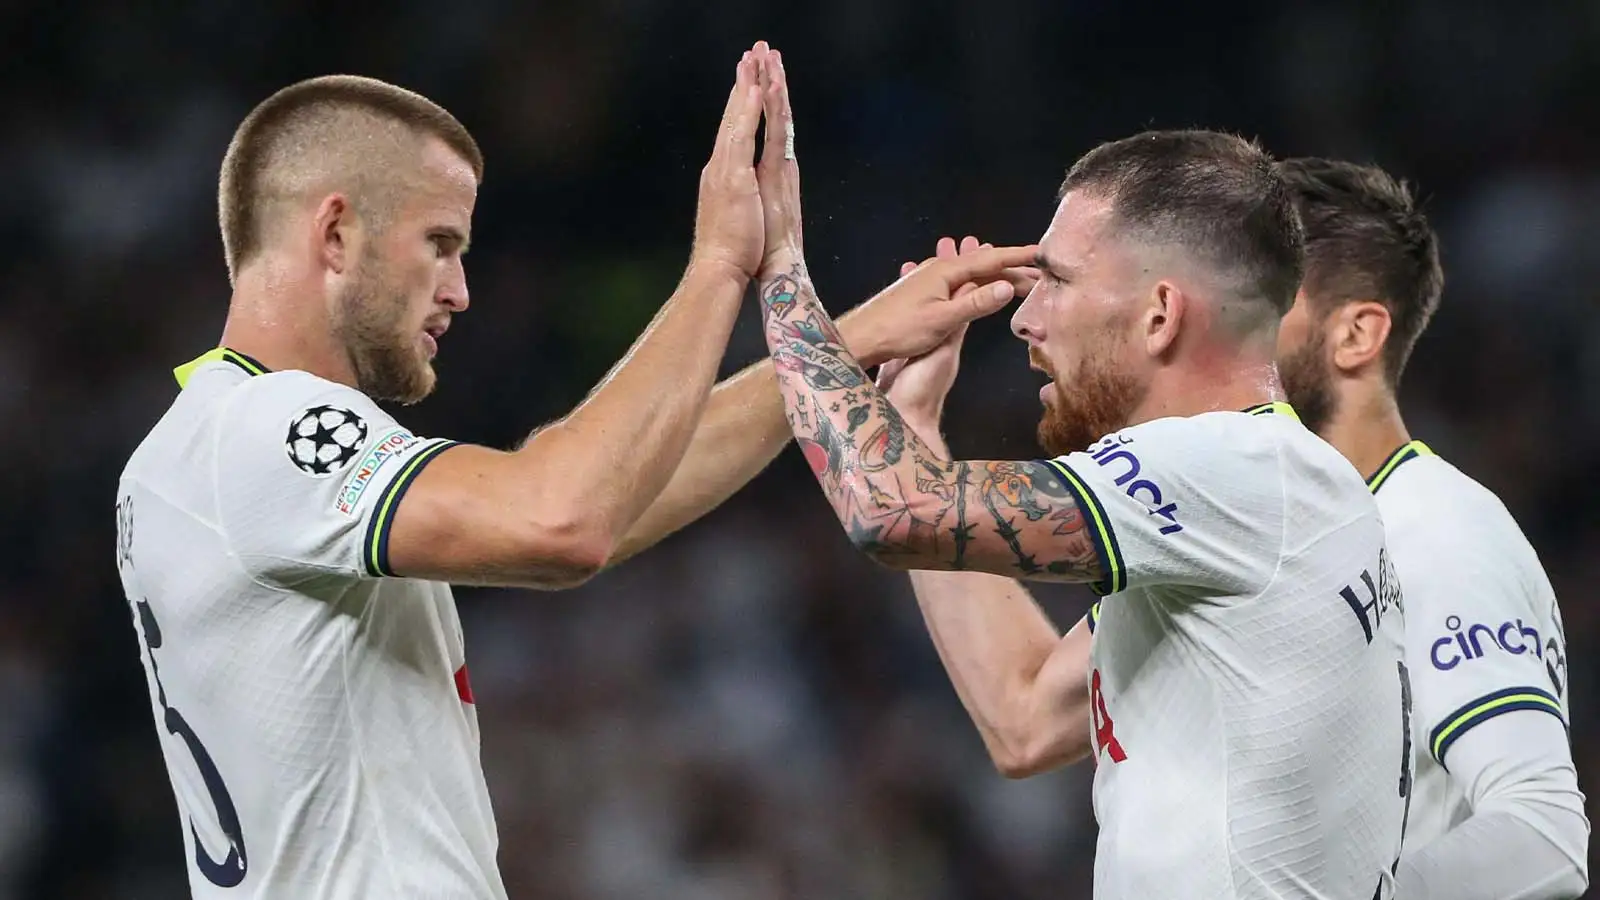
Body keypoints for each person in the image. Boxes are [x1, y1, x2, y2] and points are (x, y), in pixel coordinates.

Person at [111, 46, 1018, 898]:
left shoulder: (199, 450)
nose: (461, 289)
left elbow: (611, 503)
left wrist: (835, 350)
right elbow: (564, 519)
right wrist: (718, 266)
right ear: (337, 232)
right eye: (440, 243)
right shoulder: (265, 430)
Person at [752, 52, 1410, 899]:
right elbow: (1022, 718)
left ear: (1161, 313)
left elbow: (891, 508)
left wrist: (777, 269)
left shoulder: (1228, 470)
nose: (1023, 319)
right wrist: (914, 423)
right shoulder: (1268, 501)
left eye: (1056, 281)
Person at [1274, 157, 1588, 899]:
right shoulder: (1263, 532)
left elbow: (1544, 836)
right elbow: (1023, 720)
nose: (1226, 333)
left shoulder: (1436, 529)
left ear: (1355, 334)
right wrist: (933, 426)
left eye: (1263, 302)